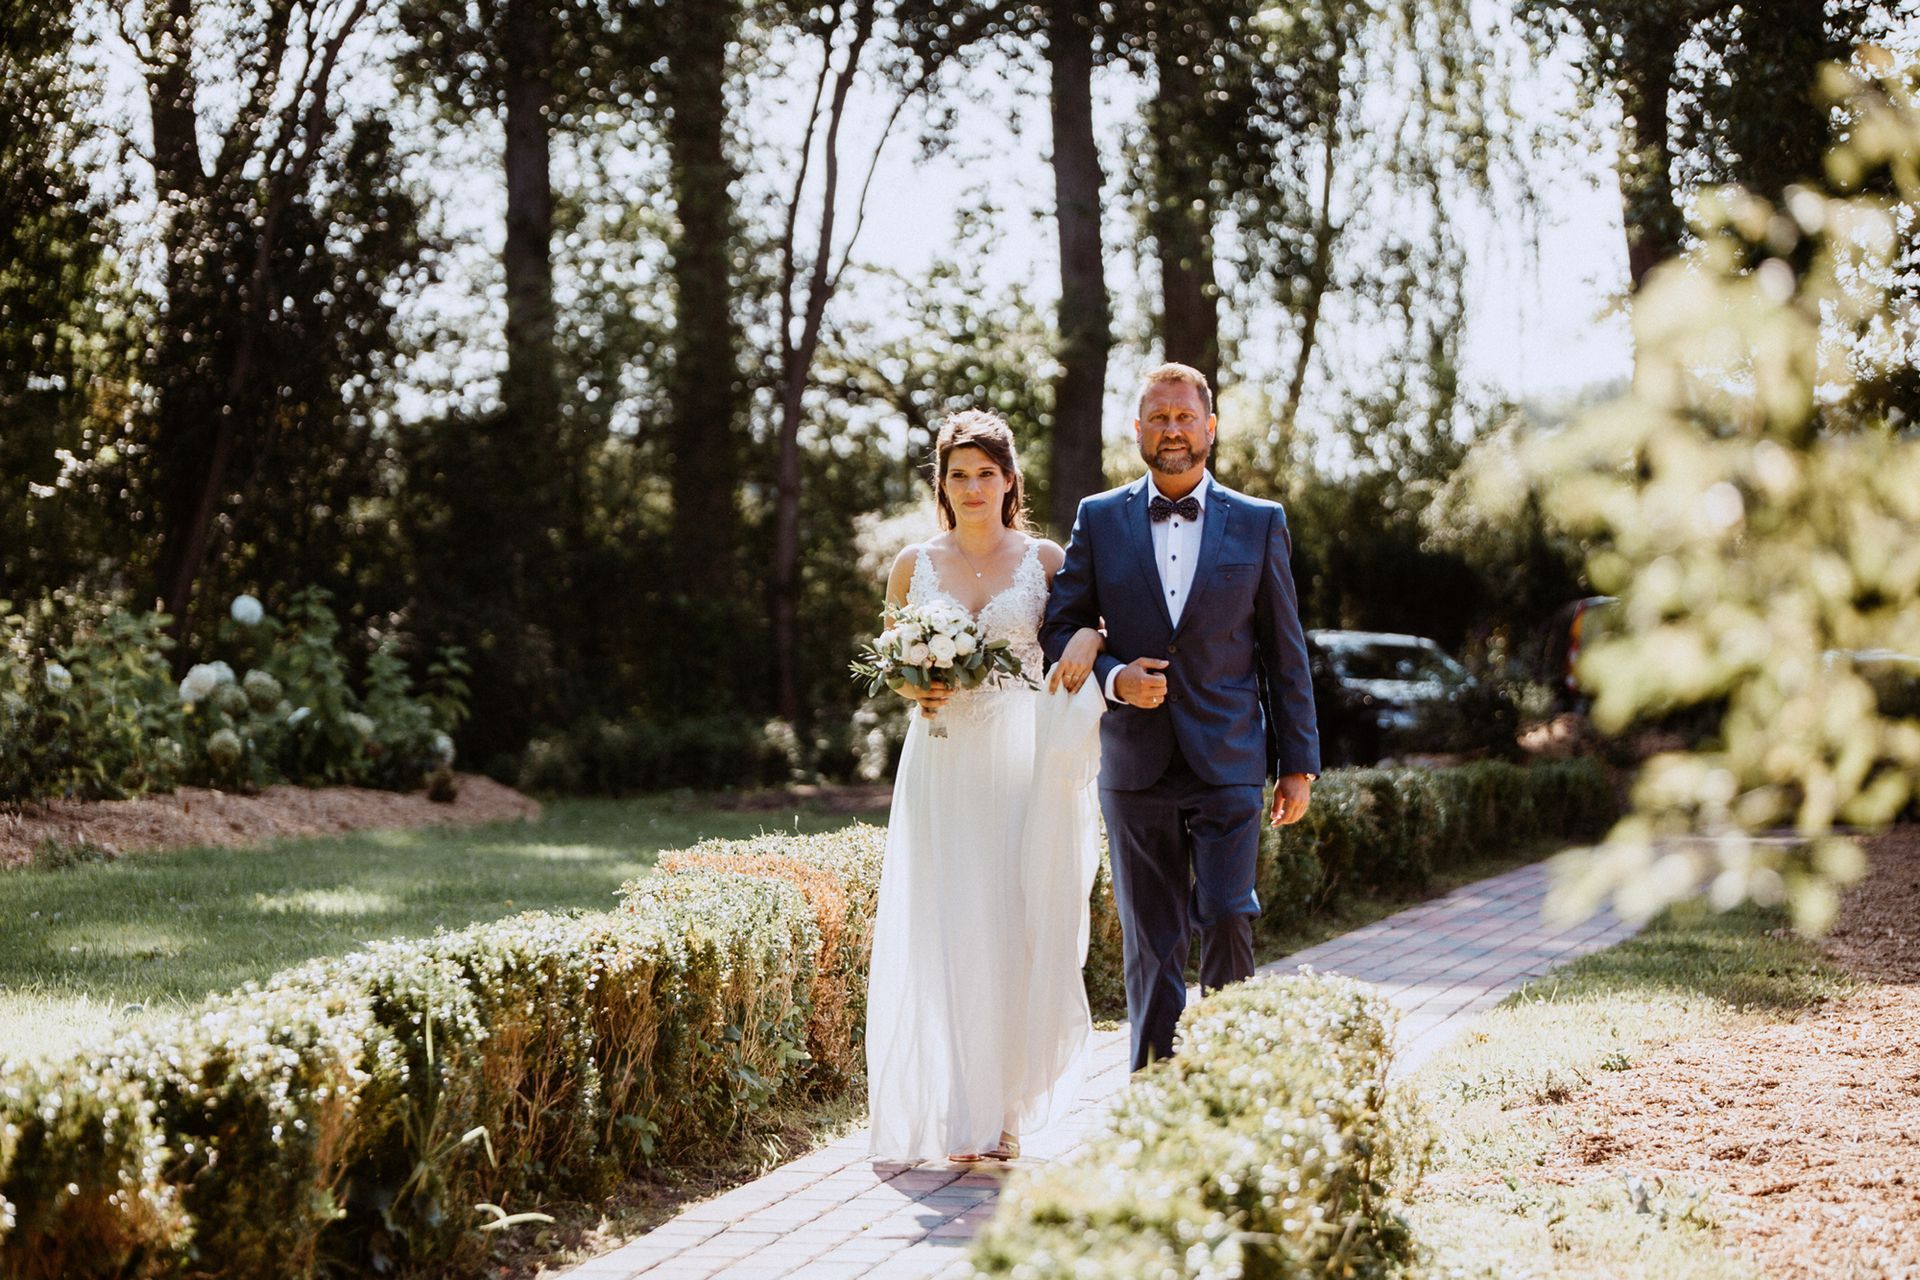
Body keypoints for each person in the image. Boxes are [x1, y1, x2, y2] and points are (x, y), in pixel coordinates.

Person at [1041, 362, 1321, 1071]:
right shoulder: (1098, 519)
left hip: (1228, 755)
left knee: (1229, 913)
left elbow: (1284, 652)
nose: (1172, 430)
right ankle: (1155, 1092)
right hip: (1134, 761)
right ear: (1136, 430)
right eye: (1158, 418)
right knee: (1152, 941)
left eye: (1184, 417)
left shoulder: (1260, 524)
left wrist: (1299, 763)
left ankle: (1227, 1081)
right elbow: (1059, 627)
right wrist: (1112, 679)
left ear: (1210, 429)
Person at [865, 410, 1107, 1163]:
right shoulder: (914, 563)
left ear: (1010, 481)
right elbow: (893, 663)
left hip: (1022, 754)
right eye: (958, 474)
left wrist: (1095, 636)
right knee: (946, 921)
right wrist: (918, 690)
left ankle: (1002, 1108)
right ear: (943, 484)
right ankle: (953, 1103)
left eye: (986, 473)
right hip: (941, 759)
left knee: (1015, 919)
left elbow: (1082, 629)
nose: (972, 487)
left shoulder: (1043, 556)